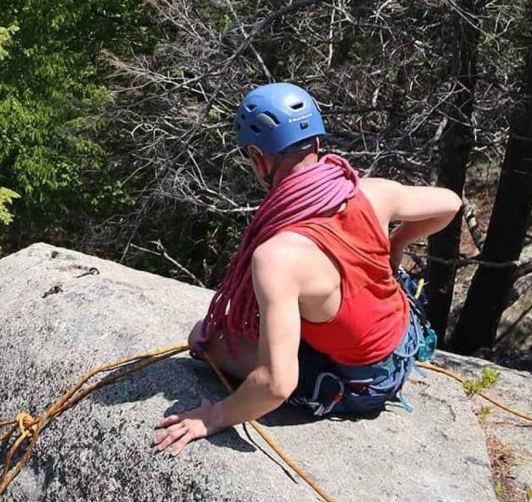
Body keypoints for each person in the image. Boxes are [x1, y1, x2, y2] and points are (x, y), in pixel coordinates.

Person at [152, 82, 462, 457]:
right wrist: (396, 244)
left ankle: (331, 379)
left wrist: (214, 417)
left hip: (362, 384)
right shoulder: (369, 191)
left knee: (204, 338)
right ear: (315, 140)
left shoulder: (277, 257)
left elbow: (275, 386)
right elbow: (450, 202)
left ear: (258, 156)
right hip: (402, 341)